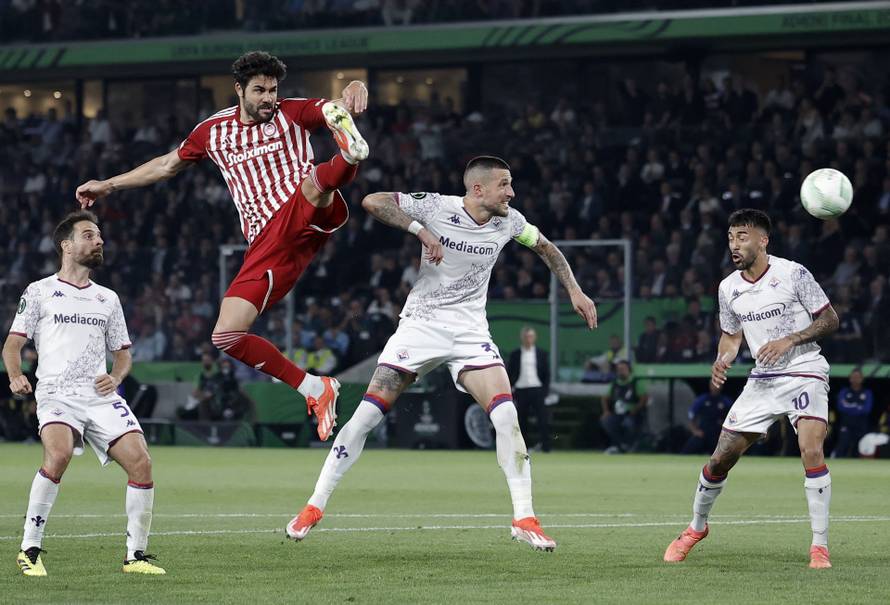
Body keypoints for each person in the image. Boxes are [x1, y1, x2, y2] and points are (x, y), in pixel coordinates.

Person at [286, 156, 597, 550]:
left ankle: (524, 517)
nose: (512, 192)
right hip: (421, 325)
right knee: (365, 416)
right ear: (478, 189)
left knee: (506, 415)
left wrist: (574, 289)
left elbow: (547, 248)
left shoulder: (510, 222)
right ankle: (315, 505)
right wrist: (421, 231)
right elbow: (372, 201)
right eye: (505, 184)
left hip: (469, 331)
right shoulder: (436, 206)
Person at [74, 51, 372, 441]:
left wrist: (353, 87)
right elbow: (165, 165)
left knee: (315, 183)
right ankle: (315, 388)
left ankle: (348, 155)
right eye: (260, 90)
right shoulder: (212, 132)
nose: (269, 98)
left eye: (273, 90)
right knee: (226, 336)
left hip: (304, 208)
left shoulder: (293, 112)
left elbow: (332, 106)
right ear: (239, 90)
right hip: (270, 244)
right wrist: (108, 184)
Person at [664, 209, 839, 569]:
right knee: (719, 459)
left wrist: (791, 338)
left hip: (804, 369)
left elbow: (830, 318)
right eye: (730, 237)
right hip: (763, 379)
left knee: (810, 449)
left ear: (763, 240)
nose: (734, 243)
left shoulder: (793, 273)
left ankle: (819, 546)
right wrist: (722, 359)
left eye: (742, 236)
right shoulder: (728, 287)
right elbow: (731, 336)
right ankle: (696, 528)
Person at [3, 211, 164, 576]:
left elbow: (123, 353)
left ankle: (135, 556)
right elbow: (12, 344)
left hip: (100, 395)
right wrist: (15, 376)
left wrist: (117, 374)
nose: (99, 241)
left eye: (99, 236)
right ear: (67, 245)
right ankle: (29, 549)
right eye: (89, 235)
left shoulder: (107, 299)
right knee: (58, 455)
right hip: (57, 393)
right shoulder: (40, 291)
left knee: (142, 463)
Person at [507, 326, 551, 452]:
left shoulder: (541, 354)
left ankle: (546, 447)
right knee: (521, 421)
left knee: (542, 419)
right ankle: (523, 448)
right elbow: (510, 373)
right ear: (522, 338)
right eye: (526, 336)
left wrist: (545, 391)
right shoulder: (515, 354)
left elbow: (547, 374)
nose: (528, 339)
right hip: (521, 390)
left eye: (531, 336)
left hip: (537, 390)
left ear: (534, 338)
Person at [599, 360, 648, 453]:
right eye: (618, 369)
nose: (620, 371)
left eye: (623, 369)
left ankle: (629, 444)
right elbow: (604, 398)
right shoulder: (614, 383)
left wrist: (635, 409)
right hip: (617, 413)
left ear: (629, 370)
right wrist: (606, 411)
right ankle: (620, 444)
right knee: (606, 421)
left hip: (632, 413)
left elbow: (644, 398)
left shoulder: (635, 382)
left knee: (628, 424)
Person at [832, 368, 873, 458]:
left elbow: (867, 409)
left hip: (861, 425)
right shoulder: (844, 392)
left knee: (858, 448)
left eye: (858, 377)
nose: (855, 379)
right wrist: (857, 407)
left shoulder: (867, 393)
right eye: (853, 377)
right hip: (846, 424)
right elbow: (840, 407)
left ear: (862, 379)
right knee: (843, 445)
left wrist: (850, 407)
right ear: (850, 378)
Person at [681, 383, 730, 454]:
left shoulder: (726, 401)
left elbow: (733, 417)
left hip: (718, 434)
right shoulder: (702, 399)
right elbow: (691, 415)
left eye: (718, 385)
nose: (716, 387)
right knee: (690, 447)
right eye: (714, 384)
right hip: (703, 433)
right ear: (710, 386)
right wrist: (695, 431)